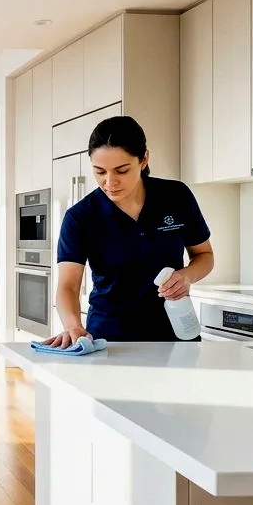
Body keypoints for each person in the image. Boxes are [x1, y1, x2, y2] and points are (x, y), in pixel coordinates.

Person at [44, 116, 214, 347]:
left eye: (121, 170)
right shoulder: (80, 217)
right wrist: (73, 325)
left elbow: (204, 255)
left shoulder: (176, 196)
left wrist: (187, 276)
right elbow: (68, 286)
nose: (109, 182)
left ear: (143, 159)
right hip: (111, 337)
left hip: (175, 333)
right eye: (100, 172)